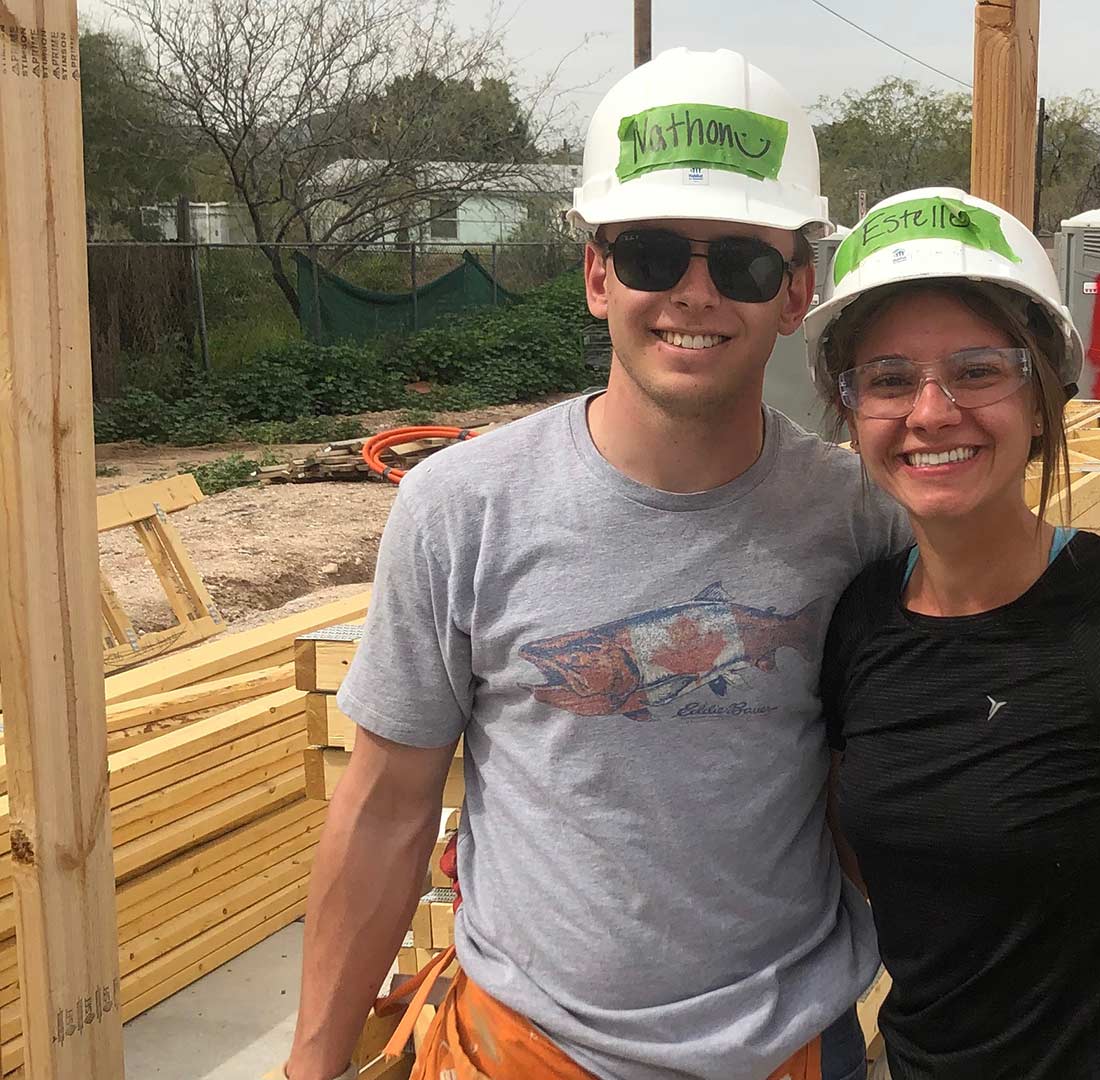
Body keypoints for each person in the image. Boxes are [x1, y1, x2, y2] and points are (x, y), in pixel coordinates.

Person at [282, 48, 901, 1080]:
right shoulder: (463, 509)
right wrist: (311, 1064)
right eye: (655, 252)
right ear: (596, 272)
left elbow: (998, 640)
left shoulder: (858, 520)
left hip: (791, 1048)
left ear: (796, 291)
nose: (694, 295)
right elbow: (387, 808)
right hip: (526, 1049)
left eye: (743, 263)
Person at [806, 188, 1100, 1078]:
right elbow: (883, 869)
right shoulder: (859, 623)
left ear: (1043, 389)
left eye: (978, 370)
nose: (932, 412)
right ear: (851, 406)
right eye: (891, 379)